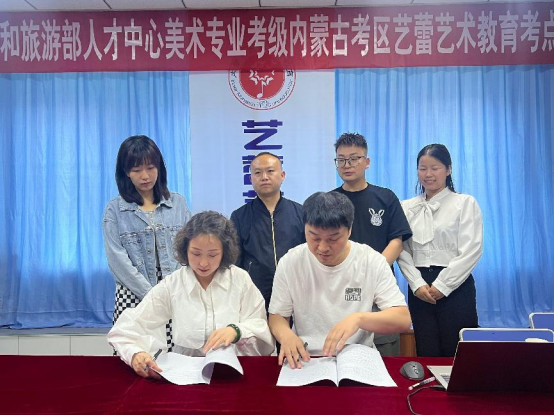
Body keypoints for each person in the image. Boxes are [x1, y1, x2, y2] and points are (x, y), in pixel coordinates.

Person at [108, 211, 275, 378]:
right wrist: (136, 353)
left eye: (212, 255)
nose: (203, 263)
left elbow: (262, 332)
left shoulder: (239, 279)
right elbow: (127, 327)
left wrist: (237, 331)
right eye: (196, 253)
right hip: (185, 376)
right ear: (185, 249)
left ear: (225, 252)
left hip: (231, 372)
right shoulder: (173, 284)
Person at [268, 191, 411, 368]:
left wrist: (359, 319)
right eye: (314, 237)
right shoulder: (291, 262)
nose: (322, 247)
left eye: (333, 238)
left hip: (357, 360)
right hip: (307, 360)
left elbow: (402, 319)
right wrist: (286, 336)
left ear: (349, 230)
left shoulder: (371, 261)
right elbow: (277, 316)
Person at [103, 135, 191, 350]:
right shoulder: (115, 210)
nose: (145, 176)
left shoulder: (178, 203)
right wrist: (151, 294)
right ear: (125, 172)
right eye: (136, 170)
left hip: (173, 294)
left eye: (151, 168)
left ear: (159, 167)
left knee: (176, 356)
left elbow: (188, 250)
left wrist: (170, 292)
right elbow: (117, 260)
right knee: (134, 355)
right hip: (132, 294)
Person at [398, 144, 483, 357]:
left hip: (456, 286)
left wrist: (443, 285)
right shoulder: (406, 207)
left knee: (459, 353)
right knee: (427, 350)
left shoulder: (464, 203)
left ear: (448, 169)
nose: (428, 174)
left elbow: (471, 249)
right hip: (420, 288)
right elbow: (401, 249)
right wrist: (416, 284)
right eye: (422, 168)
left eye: (435, 168)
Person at [333, 133, 412, 356]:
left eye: (354, 158)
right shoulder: (329, 201)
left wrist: (372, 271)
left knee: (383, 349)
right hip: (340, 286)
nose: (347, 165)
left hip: (379, 287)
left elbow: (397, 242)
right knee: (343, 346)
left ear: (366, 162)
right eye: (341, 160)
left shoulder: (385, 197)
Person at [231, 152, 305, 311]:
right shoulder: (239, 216)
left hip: (296, 293)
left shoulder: (301, 213)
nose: (264, 177)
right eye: (258, 173)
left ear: (282, 175)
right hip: (254, 296)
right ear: (251, 179)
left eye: (270, 171)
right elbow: (236, 261)